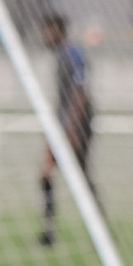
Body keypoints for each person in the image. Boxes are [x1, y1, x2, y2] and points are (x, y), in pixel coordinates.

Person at [38, 13, 96, 247]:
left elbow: (80, 93)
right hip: (62, 124)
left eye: (47, 31)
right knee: (46, 174)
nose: (44, 36)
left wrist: (71, 130)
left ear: (59, 31)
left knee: (81, 178)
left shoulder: (73, 54)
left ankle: (99, 234)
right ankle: (48, 233)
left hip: (76, 125)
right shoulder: (61, 54)